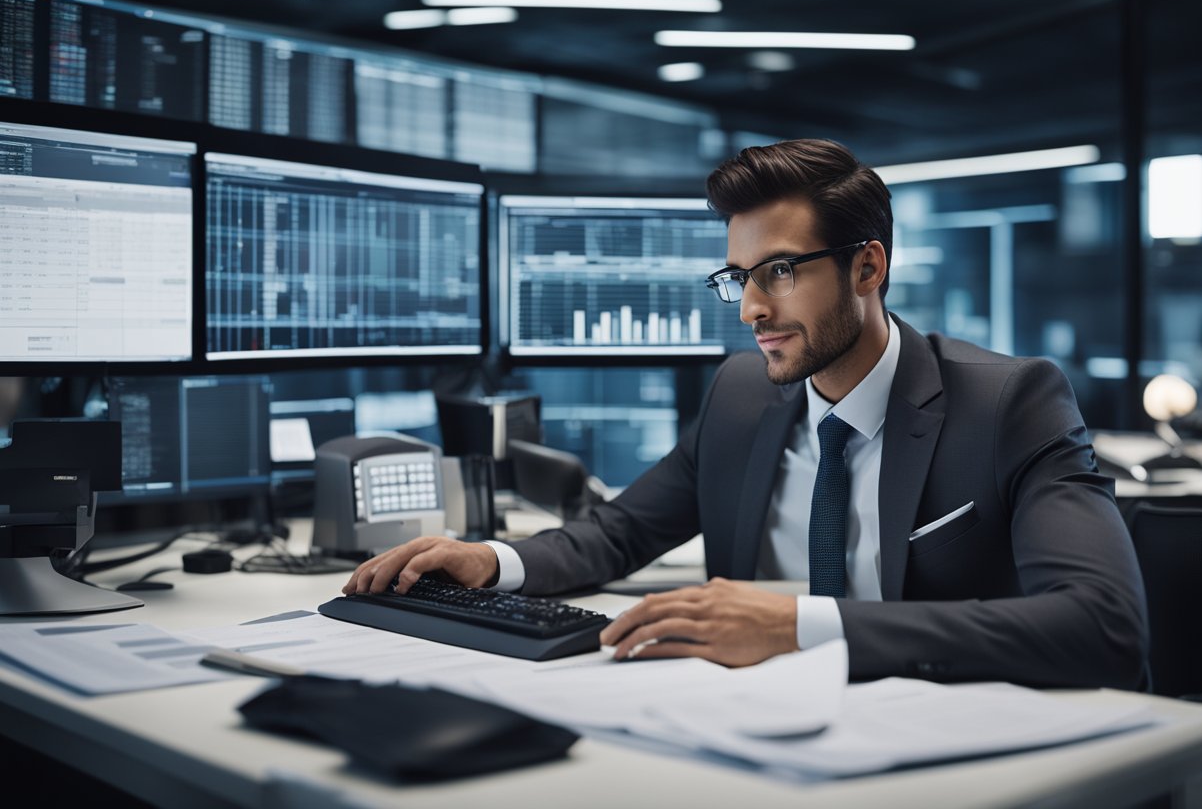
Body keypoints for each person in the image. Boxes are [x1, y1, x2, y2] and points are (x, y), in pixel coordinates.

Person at [344, 139, 1148, 690]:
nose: (751, 310)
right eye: (738, 279)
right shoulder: (741, 394)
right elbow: (620, 532)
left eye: (781, 272)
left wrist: (802, 624)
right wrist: (490, 562)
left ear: (868, 266)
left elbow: (1104, 628)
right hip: (750, 732)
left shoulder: (1009, 401)